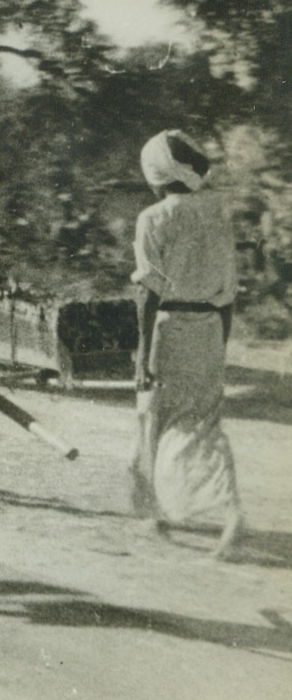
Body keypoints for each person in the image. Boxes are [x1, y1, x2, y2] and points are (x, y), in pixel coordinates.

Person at [129, 129, 243, 559]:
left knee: (155, 418)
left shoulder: (153, 218)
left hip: (170, 327)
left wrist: (142, 356)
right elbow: (229, 291)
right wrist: (220, 341)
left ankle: (154, 511)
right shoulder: (218, 214)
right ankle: (226, 505)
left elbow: (149, 293)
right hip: (210, 326)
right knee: (204, 421)